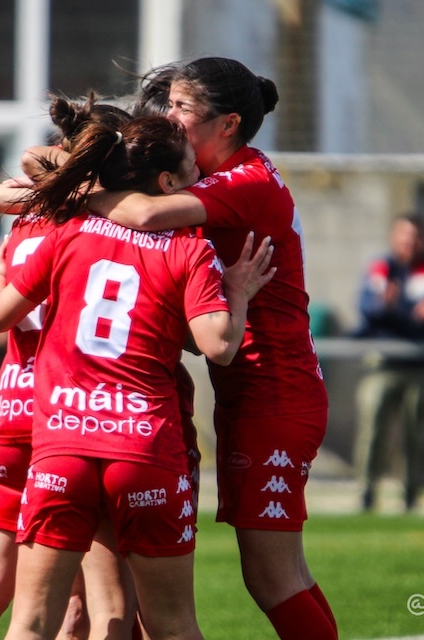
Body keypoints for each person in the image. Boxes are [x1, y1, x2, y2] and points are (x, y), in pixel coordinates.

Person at [0, 115, 273, 640]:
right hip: (143, 450)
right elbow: (219, 347)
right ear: (165, 184)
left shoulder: (67, 230)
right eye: (192, 171)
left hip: (63, 445)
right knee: (171, 625)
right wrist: (239, 291)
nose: (198, 180)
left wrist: (3, 267)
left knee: (30, 622)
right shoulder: (190, 247)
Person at [84, 58, 338, 640]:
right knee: (282, 573)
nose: (167, 117)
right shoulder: (217, 175)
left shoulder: (244, 182)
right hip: (257, 392)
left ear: (227, 124)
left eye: (180, 107)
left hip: (275, 394)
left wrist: (75, 190)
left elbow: (144, 214)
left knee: (272, 576)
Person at [0, 95, 138, 640]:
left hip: (12, 408)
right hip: (74, 419)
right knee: (102, 603)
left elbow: (15, 176)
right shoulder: (114, 228)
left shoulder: (30, 216)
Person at [352, 213, 424, 513]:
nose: (410, 243)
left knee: (417, 435)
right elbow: (369, 308)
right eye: (404, 236)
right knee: (372, 430)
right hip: (383, 364)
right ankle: (367, 492)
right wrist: (403, 310)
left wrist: (407, 310)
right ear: (394, 237)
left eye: (416, 237)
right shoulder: (382, 267)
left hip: (420, 366)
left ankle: (411, 495)